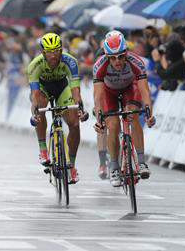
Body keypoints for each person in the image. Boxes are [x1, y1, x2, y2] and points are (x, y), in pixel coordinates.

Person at [93, 30, 156, 187]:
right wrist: (99, 120)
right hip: (109, 93)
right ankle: (114, 167)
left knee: (132, 115)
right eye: (113, 58)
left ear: (126, 52)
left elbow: (144, 90)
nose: (118, 61)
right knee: (112, 125)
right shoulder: (99, 66)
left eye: (121, 56)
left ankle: (141, 162)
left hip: (130, 88)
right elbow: (98, 96)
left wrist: (149, 114)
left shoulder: (136, 62)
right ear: (106, 56)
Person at [27, 33, 88, 184]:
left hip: (62, 87)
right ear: (43, 52)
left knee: (74, 123)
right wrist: (35, 110)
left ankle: (72, 166)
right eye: (49, 52)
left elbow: (75, 90)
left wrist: (79, 107)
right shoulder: (35, 65)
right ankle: (43, 149)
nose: (53, 55)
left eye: (57, 51)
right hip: (43, 89)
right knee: (40, 108)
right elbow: (34, 94)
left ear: (61, 50)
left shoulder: (71, 62)